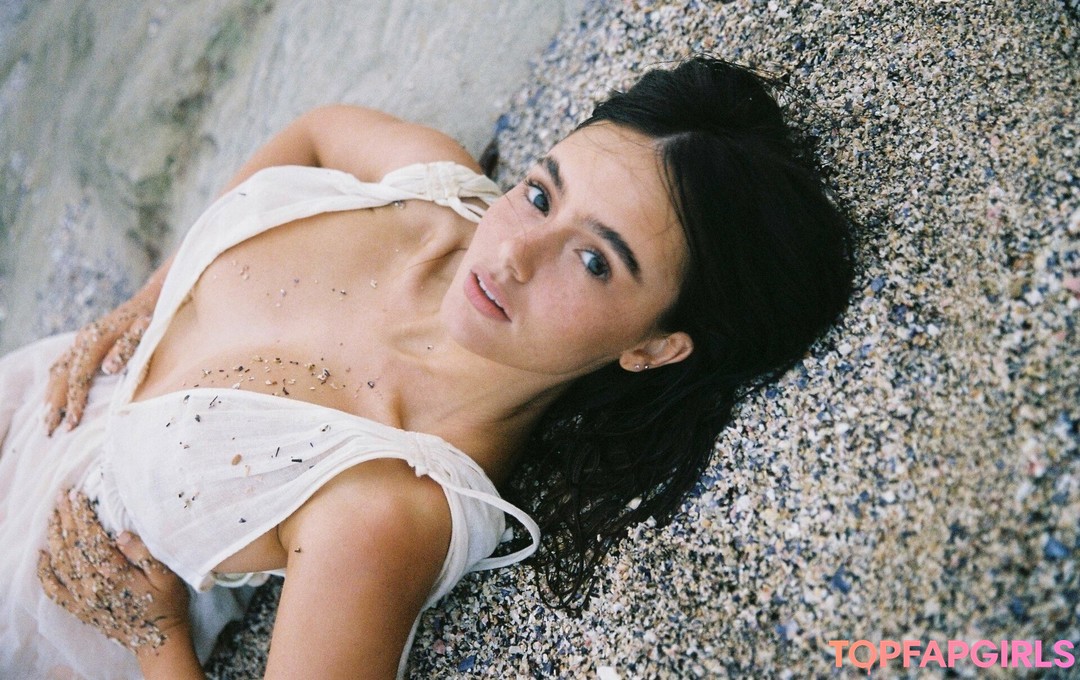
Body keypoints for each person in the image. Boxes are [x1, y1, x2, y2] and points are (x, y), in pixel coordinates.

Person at [0, 57, 854, 678]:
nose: (514, 252)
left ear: (655, 346)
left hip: (37, 601)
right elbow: (317, 131)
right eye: (542, 193)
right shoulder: (444, 191)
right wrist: (151, 294)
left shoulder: (386, 506)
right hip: (37, 386)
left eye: (594, 261)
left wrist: (156, 640)